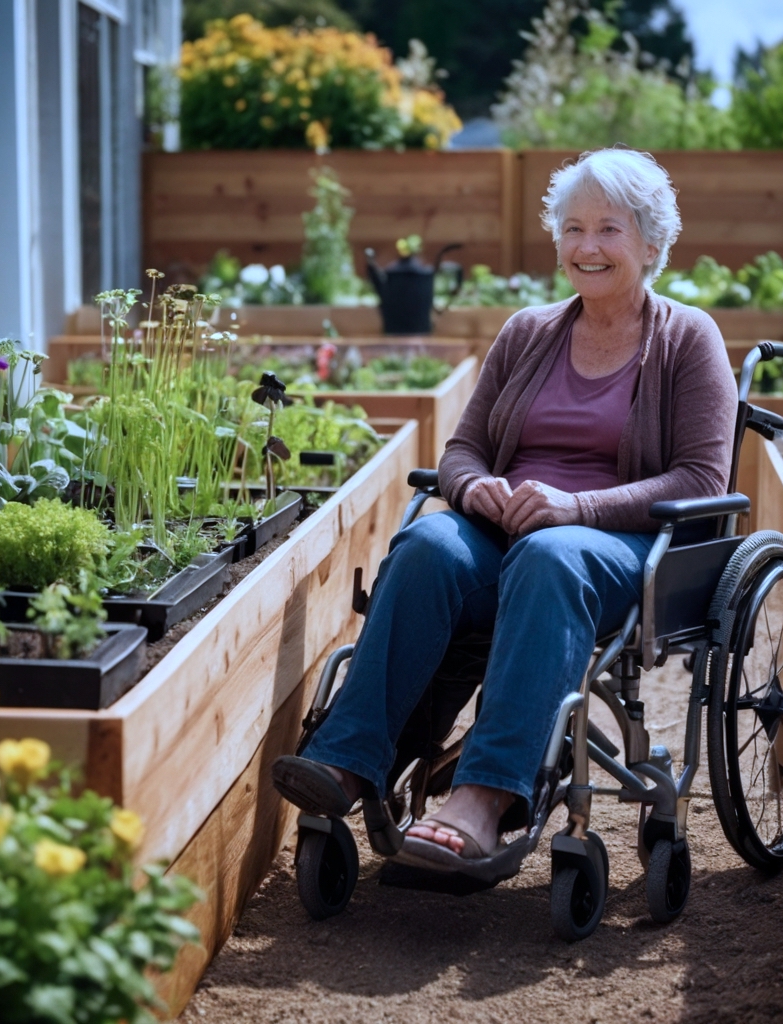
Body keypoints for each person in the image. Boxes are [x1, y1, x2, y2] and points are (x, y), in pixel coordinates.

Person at [272, 148, 737, 869]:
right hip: (504, 535)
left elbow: (704, 479)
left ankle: (484, 796)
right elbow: (461, 451)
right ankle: (348, 761)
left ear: (652, 243)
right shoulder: (528, 331)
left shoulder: (688, 339)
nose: (586, 247)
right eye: (573, 228)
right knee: (428, 544)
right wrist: (472, 487)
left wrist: (576, 505)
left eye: (609, 230)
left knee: (552, 555)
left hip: (620, 552)